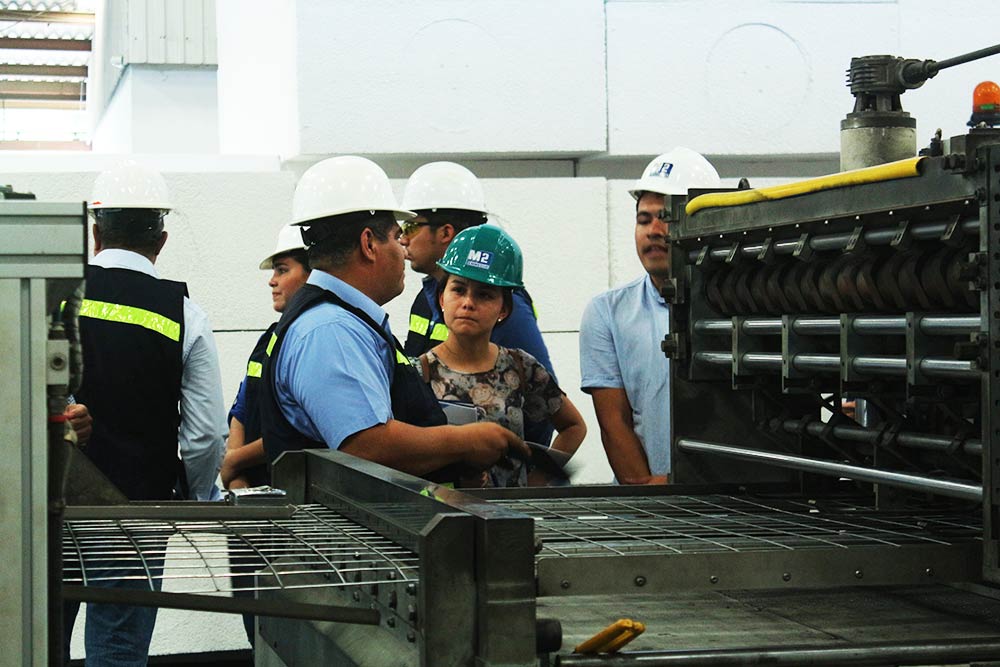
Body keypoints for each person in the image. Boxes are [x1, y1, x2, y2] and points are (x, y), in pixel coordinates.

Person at [259, 156, 530, 482]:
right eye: (395, 235)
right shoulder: (330, 330)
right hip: (350, 530)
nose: (403, 248)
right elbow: (366, 446)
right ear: (369, 244)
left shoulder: (344, 322)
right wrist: (465, 441)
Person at [65, 161, 226, 665]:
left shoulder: (55, 295)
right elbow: (204, 436)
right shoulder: (185, 313)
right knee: (117, 647)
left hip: (52, 505)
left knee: (32, 636)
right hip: (137, 514)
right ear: (161, 240)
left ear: (95, 233)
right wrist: (196, 496)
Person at [579, 148, 721, 484]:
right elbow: (614, 423)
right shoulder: (607, 313)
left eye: (667, 217)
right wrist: (651, 491)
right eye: (644, 219)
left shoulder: (740, 309)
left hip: (730, 498)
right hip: (646, 503)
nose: (653, 230)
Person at [399, 162, 557, 446]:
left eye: (410, 225)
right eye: (457, 291)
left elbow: (541, 410)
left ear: (445, 232)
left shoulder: (511, 308)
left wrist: (530, 479)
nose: (402, 237)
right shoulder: (424, 299)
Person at [417, 224, 586, 487]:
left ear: (503, 309)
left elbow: (574, 427)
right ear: (442, 298)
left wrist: (535, 483)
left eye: (484, 294)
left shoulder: (521, 367)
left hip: (510, 518)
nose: (468, 302)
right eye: (458, 289)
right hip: (443, 518)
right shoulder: (421, 373)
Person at [221, 225, 310, 490]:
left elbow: (301, 430)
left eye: (282, 270)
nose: (272, 280)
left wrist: (234, 461)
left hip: (295, 499)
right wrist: (238, 483)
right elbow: (242, 409)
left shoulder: (312, 341)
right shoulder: (268, 340)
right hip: (254, 494)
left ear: (312, 275)